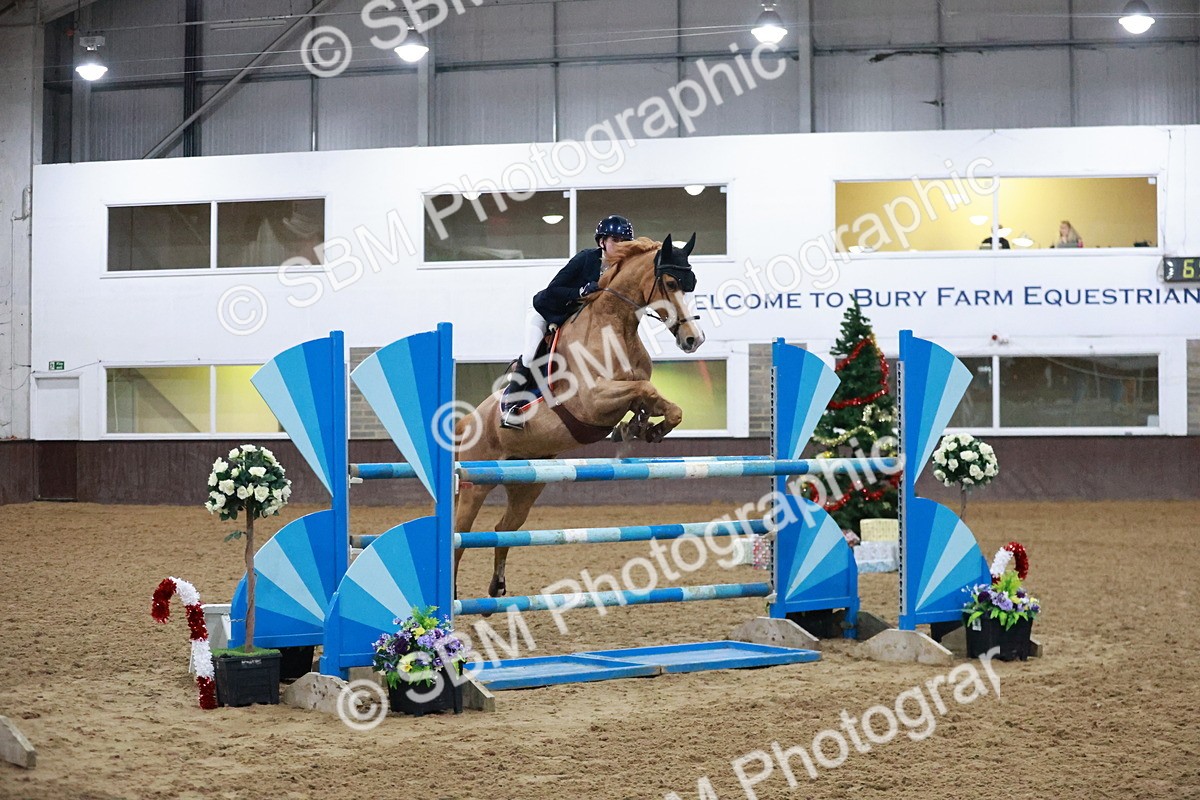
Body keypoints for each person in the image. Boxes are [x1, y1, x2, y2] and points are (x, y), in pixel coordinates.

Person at [499, 215, 635, 429]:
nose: (620, 245)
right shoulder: (585, 259)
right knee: (530, 354)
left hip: (574, 318)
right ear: (602, 242)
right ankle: (510, 407)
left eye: (624, 241)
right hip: (546, 310)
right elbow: (554, 289)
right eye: (615, 240)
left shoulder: (621, 270)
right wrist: (580, 291)